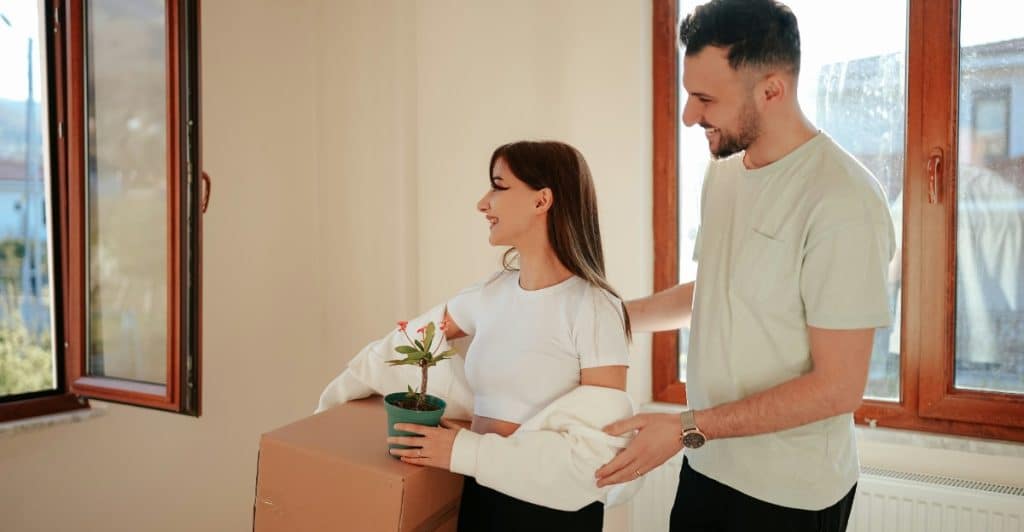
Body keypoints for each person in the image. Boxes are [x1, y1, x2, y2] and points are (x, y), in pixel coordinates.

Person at [594, 1, 895, 531]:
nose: (689, 115)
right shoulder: (726, 174)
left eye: (705, 99)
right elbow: (716, 290)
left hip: (789, 498)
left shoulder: (841, 200)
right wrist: (613, 317)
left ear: (772, 90)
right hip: (708, 466)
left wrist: (686, 427)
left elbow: (839, 387)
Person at [381, 140, 635, 531]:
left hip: (549, 511)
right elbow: (413, 342)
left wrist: (466, 451)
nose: (483, 203)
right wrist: (348, 390)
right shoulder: (490, 293)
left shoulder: (595, 307)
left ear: (541, 200)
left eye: (498, 186)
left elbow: (597, 446)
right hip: (477, 492)